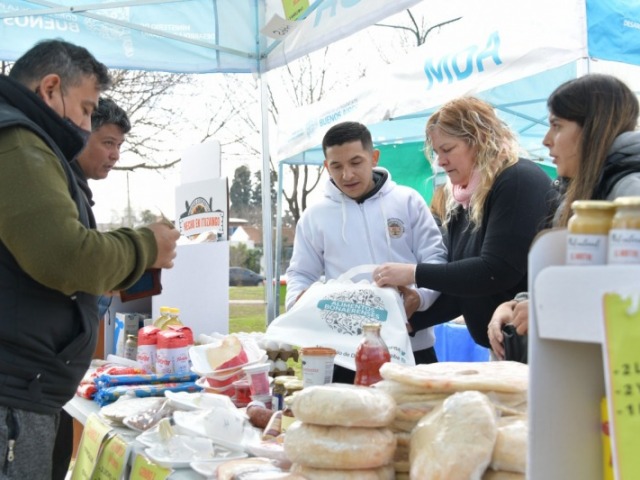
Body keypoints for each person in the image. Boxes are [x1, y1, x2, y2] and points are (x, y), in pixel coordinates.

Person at [0, 39, 179, 478]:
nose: (84, 123)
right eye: (84, 109)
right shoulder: (18, 140)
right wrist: (146, 245)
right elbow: (64, 256)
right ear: (50, 88)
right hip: (13, 395)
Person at [373, 96, 558, 349]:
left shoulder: (517, 180)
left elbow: (495, 271)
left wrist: (413, 272)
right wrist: (410, 322)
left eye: (448, 149)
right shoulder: (465, 198)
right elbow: (462, 288)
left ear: (479, 140)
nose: (440, 161)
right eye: (437, 152)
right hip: (505, 348)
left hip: (537, 347)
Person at [487, 73, 640, 358]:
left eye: (556, 126)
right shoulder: (582, 189)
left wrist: (550, 309)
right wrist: (517, 304)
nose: (546, 140)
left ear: (595, 128)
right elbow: (576, 278)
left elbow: (630, 295)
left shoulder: (630, 191)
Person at [285, 121, 447, 383]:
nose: (347, 175)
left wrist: (419, 298)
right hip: (345, 355)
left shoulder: (408, 201)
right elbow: (300, 274)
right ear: (327, 166)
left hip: (412, 347)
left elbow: (436, 261)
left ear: (373, 158)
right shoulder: (315, 216)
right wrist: (299, 303)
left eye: (356, 162)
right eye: (336, 166)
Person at [51, 97, 131, 480]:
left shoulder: (74, 187)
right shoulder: (53, 185)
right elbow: (67, 266)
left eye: (120, 146)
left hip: (52, 377)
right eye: (108, 142)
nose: (115, 154)